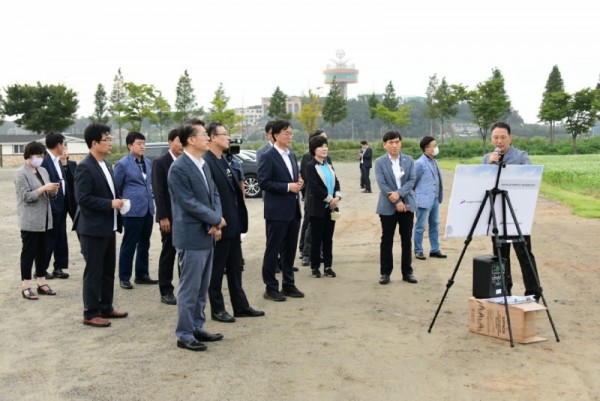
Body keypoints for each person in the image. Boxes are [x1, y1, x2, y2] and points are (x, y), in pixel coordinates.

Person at [168, 123, 225, 352]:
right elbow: (187, 202)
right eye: (203, 135)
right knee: (189, 289)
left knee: (202, 287)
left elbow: (214, 193)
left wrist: (216, 218)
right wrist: (213, 219)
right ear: (190, 140)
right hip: (191, 235)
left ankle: (198, 327)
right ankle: (184, 334)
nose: (207, 138)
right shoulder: (179, 168)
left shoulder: (203, 164)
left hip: (208, 232)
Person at [204, 122, 265, 322]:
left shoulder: (224, 160)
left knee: (235, 267)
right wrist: (214, 223)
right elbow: (208, 196)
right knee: (216, 269)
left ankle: (240, 306)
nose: (228, 137)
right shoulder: (207, 162)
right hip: (220, 225)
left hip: (233, 223)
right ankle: (218, 309)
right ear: (212, 137)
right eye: (224, 134)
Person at [74, 123, 128, 327]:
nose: (110, 143)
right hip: (92, 228)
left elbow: (107, 193)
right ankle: (90, 312)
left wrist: (118, 201)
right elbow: (83, 199)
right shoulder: (84, 167)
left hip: (108, 225)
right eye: (107, 139)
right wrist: (109, 204)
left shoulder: (106, 164)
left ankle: (106, 306)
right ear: (94, 143)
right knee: (94, 271)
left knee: (107, 270)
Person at [483, 121, 541, 299]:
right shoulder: (487, 158)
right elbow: (481, 183)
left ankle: (533, 292)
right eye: (495, 137)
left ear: (510, 138)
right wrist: (490, 165)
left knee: (524, 252)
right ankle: (503, 290)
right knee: (500, 254)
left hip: (517, 213)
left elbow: (531, 176)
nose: (499, 141)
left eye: (503, 137)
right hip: (497, 213)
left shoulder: (521, 156)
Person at [258, 120, 305, 301]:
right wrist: (287, 187)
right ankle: (270, 287)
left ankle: (288, 283)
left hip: (293, 209)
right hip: (276, 211)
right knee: (273, 249)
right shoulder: (268, 156)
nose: (290, 136)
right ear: (275, 135)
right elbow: (264, 182)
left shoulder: (291, 154)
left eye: (291, 133)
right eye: (286, 133)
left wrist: (298, 182)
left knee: (290, 249)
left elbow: (293, 177)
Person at [15, 141, 60, 300]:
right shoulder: (21, 173)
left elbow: (49, 196)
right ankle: (26, 286)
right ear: (29, 155)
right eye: (37, 156)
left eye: (42, 156)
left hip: (45, 220)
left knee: (44, 251)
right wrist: (43, 188)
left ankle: (41, 282)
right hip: (30, 221)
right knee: (29, 253)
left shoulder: (43, 170)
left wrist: (53, 191)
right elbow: (26, 196)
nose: (40, 159)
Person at [114, 132, 157, 290]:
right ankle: (124, 277)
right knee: (129, 243)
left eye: (144, 143)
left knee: (145, 243)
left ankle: (142, 274)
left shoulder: (147, 162)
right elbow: (116, 186)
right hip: (132, 210)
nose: (142, 146)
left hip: (147, 209)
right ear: (130, 145)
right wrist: (122, 204)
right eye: (139, 143)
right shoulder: (123, 164)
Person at [374, 131, 418, 285]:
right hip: (387, 206)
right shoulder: (379, 162)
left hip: (406, 205)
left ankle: (407, 272)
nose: (394, 145)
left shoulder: (409, 160)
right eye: (391, 142)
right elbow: (382, 184)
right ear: (384, 145)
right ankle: (385, 273)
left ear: (401, 143)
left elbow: (411, 180)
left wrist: (399, 195)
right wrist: (395, 202)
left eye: (397, 142)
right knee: (387, 239)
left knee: (406, 239)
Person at [152, 128, 183, 305]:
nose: (181, 145)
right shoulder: (161, 162)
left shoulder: (186, 161)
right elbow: (159, 191)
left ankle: (184, 288)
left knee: (184, 254)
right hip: (169, 218)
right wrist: (163, 216)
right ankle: (166, 290)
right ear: (171, 142)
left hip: (185, 217)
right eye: (179, 141)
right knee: (168, 252)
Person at [304, 135, 341, 278]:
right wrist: (330, 198)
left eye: (326, 146)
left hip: (331, 207)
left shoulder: (328, 165)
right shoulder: (310, 166)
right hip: (318, 208)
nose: (324, 149)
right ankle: (315, 267)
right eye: (321, 146)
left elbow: (336, 182)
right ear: (314, 150)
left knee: (328, 238)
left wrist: (337, 196)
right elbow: (315, 186)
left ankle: (328, 266)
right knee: (316, 238)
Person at [41, 132, 71, 280]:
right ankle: (41, 268)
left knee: (61, 236)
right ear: (59, 145)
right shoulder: (44, 160)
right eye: (63, 144)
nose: (64, 147)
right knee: (49, 237)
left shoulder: (58, 160)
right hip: (50, 204)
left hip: (62, 203)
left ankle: (58, 267)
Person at [299, 129, 330, 266]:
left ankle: (319, 251)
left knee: (323, 225)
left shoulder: (327, 158)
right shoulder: (308, 157)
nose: (324, 145)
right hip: (312, 196)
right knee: (309, 224)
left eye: (325, 142)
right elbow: (306, 177)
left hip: (326, 197)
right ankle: (305, 251)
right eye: (322, 141)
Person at [413, 136, 447, 260]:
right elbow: (413, 183)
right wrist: (415, 198)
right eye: (434, 145)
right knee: (420, 226)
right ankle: (418, 250)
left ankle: (435, 249)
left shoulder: (435, 161)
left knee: (434, 225)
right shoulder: (420, 163)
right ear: (426, 149)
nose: (436, 147)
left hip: (435, 199)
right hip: (423, 201)